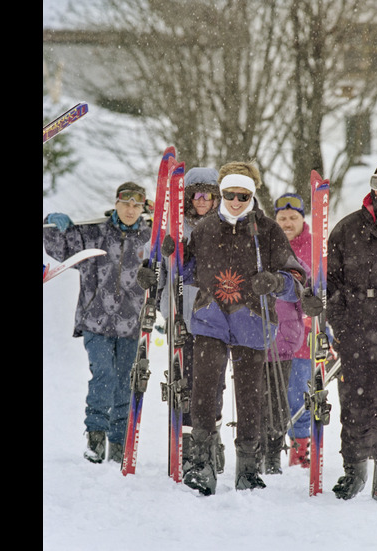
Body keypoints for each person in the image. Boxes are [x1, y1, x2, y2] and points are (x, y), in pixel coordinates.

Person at [174, 161, 305, 495]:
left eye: (243, 195)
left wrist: (277, 281)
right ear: (221, 193)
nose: (235, 201)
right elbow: (188, 273)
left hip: (252, 320)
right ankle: (203, 463)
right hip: (210, 318)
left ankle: (247, 467)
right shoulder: (204, 229)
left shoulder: (268, 230)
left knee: (250, 396)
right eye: (229, 194)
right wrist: (169, 261)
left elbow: (297, 281)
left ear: (252, 194)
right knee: (203, 392)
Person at [43, 182, 152, 466]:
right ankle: (96, 436)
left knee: (124, 384)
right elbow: (60, 248)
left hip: (132, 325)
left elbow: (165, 274)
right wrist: (51, 225)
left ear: (142, 208)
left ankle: (118, 443)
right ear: (116, 203)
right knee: (104, 375)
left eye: (136, 205)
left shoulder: (150, 239)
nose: (130, 210)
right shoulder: (94, 233)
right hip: (96, 321)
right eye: (125, 204)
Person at [316, 160, 377, 504]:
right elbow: (331, 283)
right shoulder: (348, 228)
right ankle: (353, 471)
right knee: (354, 399)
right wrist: (340, 321)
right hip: (356, 325)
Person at [139, 167, 227, 475]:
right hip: (182, 317)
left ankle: (211, 441)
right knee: (185, 385)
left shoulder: (224, 227)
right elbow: (157, 266)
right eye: (196, 195)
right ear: (187, 197)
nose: (202, 202)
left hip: (217, 319)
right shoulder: (173, 228)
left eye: (208, 195)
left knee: (213, 386)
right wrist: (149, 278)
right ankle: (188, 446)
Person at [259, 193, 311, 474]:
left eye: (293, 218)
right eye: (282, 218)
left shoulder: (314, 248)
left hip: (297, 337)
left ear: (303, 218)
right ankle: (268, 453)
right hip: (266, 335)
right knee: (270, 399)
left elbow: (321, 287)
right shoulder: (268, 245)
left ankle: (301, 450)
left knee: (297, 396)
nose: (287, 223)